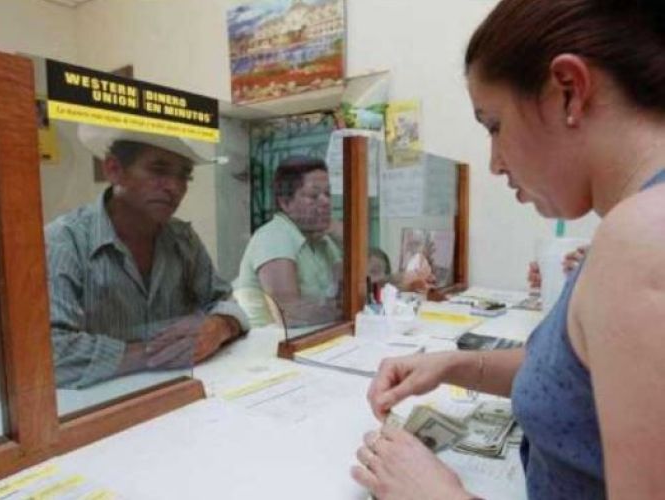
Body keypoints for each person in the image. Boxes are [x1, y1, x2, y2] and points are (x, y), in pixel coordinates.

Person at [352, 1, 665, 499]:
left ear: (569, 91)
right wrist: (451, 365)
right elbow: (582, 371)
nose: (495, 164)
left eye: (493, 125)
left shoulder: (642, 237)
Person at [46, 126, 248, 389]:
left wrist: (220, 326)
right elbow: (50, 352)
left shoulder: (182, 238)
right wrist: (151, 354)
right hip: (94, 409)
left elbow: (225, 301)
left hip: (183, 395)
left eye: (184, 176)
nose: (174, 187)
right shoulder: (64, 242)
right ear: (113, 170)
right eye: (158, 170)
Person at [233, 156, 343, 328]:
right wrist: (343, 306)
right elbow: (291, 315)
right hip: (267, 345)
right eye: (313, 195)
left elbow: (351, 287)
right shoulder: (274, 236)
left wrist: (344, 237)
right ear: (285, 203)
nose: (325, 202)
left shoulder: (324, 240)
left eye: (328, 194)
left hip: (315, 337)